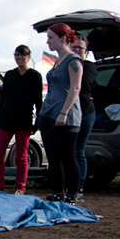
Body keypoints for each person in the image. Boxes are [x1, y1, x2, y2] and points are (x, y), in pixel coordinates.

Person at [37, 23, 83, 204]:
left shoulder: (73, 61)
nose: (48, 42)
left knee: (68, 156)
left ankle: (73, 193)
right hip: (48, 113)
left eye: (51, 37)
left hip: (65, 116)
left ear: (63, 39)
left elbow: (75, 87)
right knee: (53, 157)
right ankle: (58, 192)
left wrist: (64, 112)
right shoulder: (57, 61)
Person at [0, 45, 44, 195]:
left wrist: (37, 122)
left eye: (23, 55)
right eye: (17, 55)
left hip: (23, 121)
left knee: (21, 156)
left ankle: (20, 187)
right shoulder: (10, 75)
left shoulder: (34, 76)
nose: (19, 58)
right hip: (6, 120)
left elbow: (39, 102)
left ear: (29, 57)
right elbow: (3, 98)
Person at [72, 35, 96, 202]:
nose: (77, 50)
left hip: (85, 112)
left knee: (79, 150)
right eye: (74, 47)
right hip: (70, 112)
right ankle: (69, 186)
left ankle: (79, 189)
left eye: (80, 47)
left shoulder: (89, 67)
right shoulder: (66, 64)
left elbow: (85, 85)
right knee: (68, 151)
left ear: (85, 50)